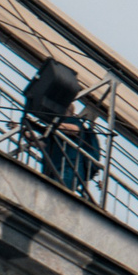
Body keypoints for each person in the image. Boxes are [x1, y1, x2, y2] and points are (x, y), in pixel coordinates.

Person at [22, 56, 96, 192]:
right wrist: (27, 133)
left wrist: (51, 124)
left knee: (60, 190)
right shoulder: (53, 129)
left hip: (68, 168)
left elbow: (73, 130)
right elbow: (42, 144)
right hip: (52, 168)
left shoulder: (73, 121)